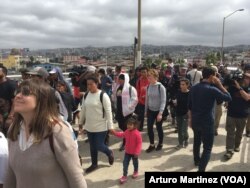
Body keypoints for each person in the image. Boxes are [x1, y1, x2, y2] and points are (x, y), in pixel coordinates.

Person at [4, 79, 87, 188]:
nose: (18, 96)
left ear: (41, 100)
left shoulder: (58, 131)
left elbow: (76, 178)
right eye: (17, 92)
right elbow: (11, 175)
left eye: (26, 93)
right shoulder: (14, 131)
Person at [188, 67, 232, 172]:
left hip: (196, 120)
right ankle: (201, 170)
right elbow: (228, 97)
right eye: (215, 76)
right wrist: (220, 85)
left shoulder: (194, 88)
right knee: (207, 148)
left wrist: (190, 120)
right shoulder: (212, 89)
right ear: (212, 76)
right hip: (207, 122)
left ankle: (197, 161)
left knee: (197, 142)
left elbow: (189, 106)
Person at [78, 75, 114, 173]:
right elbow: (83, 109)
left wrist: (110, 127)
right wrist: (80, 122)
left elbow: (108, 111)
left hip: (101, 126)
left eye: (91, 84)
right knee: (92, 147)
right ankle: (94, 164)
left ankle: (109, 152)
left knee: (99, 145)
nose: (89, 86)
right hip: (89, 126)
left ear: (97, 84)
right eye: (87, 84)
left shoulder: (103, 95)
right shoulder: (86, 95)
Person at [111, 115, 142, 184]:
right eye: (128, 124)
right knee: (125, 164)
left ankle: (135, 171)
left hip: (134, 153)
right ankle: (124, 175)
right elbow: (121, 134)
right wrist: (114, 133)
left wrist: (137, 152)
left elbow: (139, 144)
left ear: (134, 125)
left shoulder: (137, 134)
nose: (129, 126)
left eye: (131, 125)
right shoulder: (127, 131)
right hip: (127, 152)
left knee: (135, 163)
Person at [112, 73, 138, 151]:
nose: (119, 80)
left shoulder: (131, 88)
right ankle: (128, 139)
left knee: (127, 128)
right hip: (119, 111)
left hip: (127, 112)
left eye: (121, 79)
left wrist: (129, 107)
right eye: (118, 79)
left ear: (125, 79)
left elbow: (135, 99)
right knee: (121, 126)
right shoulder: (118, 88)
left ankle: (125, 142)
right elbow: (115, 97)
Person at [145, 69, 166, 153]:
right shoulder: (148, 86)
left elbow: (163, 101)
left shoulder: (160, 87)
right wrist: (146, 110)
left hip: (158, 111)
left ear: (155, 77)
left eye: (150, 76)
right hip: (150, 110)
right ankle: (152, 144)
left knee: (159, 128)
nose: (148, 78)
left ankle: (160, 143)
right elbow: (147, 99)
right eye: (148, 76)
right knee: (149, 128)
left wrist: (160, 113)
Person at [175, 79, 190, 149]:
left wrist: (189, 113)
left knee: (184, 129)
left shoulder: (190, 93)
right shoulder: (178, 92)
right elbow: (176, 101)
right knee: (179, 129)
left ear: (187, 85)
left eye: (183, 84)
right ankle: (180, 143)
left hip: (186, 113)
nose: (181, 86)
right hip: (178, 112)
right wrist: (174, 102)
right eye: (181, 84)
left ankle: (186, 138)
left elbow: (192, 104)